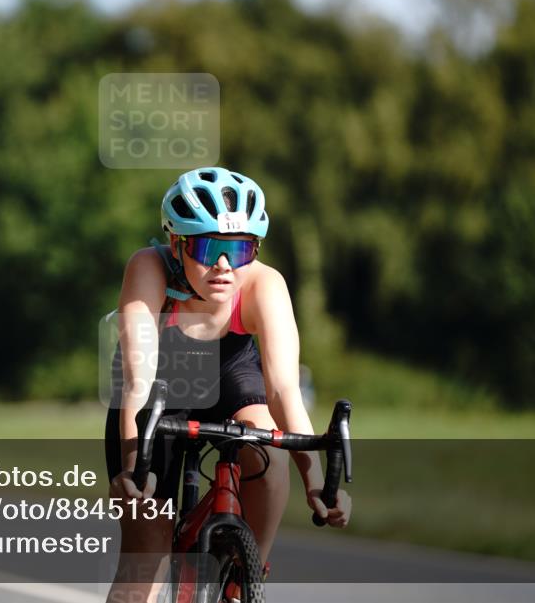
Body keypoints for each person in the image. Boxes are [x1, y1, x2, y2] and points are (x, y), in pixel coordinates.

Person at [105, 167, 351, 602]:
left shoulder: (265, 284)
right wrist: (132, 465)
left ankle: (244, 578)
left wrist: (319, 485)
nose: (223, 266)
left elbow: (283, 392)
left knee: (270, 458)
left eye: (238, 250)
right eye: (207, 247)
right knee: (146, 553)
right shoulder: (149, 269)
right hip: (160, 376)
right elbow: (138, 382)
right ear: (177, 244)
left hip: (230, 368)